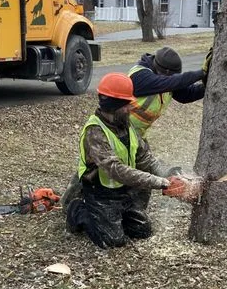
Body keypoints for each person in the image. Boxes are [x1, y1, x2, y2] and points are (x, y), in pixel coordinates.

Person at [66, 73, 174, 249]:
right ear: (113, 105)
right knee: (112, 241)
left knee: (142, 231)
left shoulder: (126, 124)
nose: (130, 109)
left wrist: (167, 175)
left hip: (124, 190)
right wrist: (156, 182)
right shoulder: (95, 132)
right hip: (100, 192)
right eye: (126, 105)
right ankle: (78, 210)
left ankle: (114, 216)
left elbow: (144, 158)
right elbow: (115, 169)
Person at [128, 45, 209, 136]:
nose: (174, 78)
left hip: (135, 133)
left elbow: (186, 95)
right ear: (166, 72)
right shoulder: (140, 76)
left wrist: (208, 85)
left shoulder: (165, 81)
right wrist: (202, 73)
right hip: (117, 130)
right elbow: (172, 82)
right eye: (172, 75)